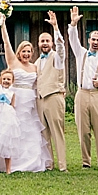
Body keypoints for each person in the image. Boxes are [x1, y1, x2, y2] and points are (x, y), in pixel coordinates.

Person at [0, 13, 51, 172]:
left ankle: (27, 162)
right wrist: (3, 25)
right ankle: (2, 163)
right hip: (14, 99)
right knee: (9, 128)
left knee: (29, 129)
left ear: (32, 53)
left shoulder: (35, 67)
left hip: (29, 101)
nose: (26, 54)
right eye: (24, 51)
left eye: (29, 51)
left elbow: (41, 82)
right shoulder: (13, 62)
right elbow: (6, 43)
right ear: (19, 52)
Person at [67, 5, 98, 169]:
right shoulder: (81, 53)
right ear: (88, 40)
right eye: (93, 39)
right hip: (82, 94)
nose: (95, 42)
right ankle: (85, 162)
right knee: (83, 129)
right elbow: (72, 39)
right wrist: (73, 24)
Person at [34, 11, 68, 172]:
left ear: (52, 43)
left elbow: (61, 47)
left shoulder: (57, 57)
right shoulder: (36, 61)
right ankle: (48, 164)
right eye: (42, 41)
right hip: (40, 99)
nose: (45, 43)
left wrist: (55, 26)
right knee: (44, 134)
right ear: (38, 43)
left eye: (47, 41)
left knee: (57, 133)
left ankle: (62, 165)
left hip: (54, 96)